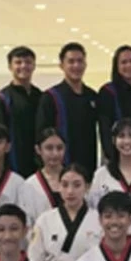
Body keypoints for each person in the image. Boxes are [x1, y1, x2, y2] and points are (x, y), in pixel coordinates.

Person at [27, 163, 102, 261]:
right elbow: (34, 260)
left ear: (87, 187)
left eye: (77, 185)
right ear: (59, 187)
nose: (70, 191)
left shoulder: (98, 220)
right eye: (65, 185)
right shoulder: (45, 220)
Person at [37, 42, 99, 170]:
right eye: (71, 61)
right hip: (60, 168)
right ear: (62, 65)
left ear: (85, 64)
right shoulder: (51, 97)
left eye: (80, 61)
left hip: (88, 167)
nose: (76, 65)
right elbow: (42, 135)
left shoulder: (92, 96)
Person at [0, 46, 43, 177]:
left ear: (34, 65)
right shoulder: (0, 100)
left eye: (28, 62)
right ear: (10, 66)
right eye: (18, 62)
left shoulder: (42, 97)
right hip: (12, 167)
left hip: (39, 165)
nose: (23, 66)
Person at [17, 128, 66, 224]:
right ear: (38, 150)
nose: (55, 153)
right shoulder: (29, 185)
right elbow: (26, 222)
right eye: (49, 148)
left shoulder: (76, 179)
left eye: (59, 148)